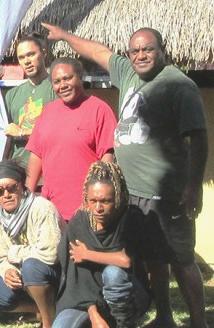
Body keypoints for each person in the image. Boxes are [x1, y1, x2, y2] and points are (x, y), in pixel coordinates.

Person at [43, 23, 208, 328]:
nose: (141, 55)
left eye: (148, 49)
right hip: (132, 193)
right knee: (153, 256)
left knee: (181, 258)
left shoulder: (178, 85)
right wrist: (65, 36)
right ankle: (165, 316)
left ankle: (199, 322)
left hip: (167, 193)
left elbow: (198, 137)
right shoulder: (128, 73)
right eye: (135, 50)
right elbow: (98, 51)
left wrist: (194, 184)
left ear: (162, 51)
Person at [54, 161, 151, 328]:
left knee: (113, 273)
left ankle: (124, 323)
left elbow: (127, 260)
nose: (98, 208)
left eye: (106, 201)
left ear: (118, 197)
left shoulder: (130, 218)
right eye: (93, 201)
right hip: (84, 300)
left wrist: (87, 254)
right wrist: (94, 315)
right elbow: (79, 277)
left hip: (126, 296)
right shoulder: (80, 222)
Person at [25, 57, 117, 220]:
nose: (63, 85)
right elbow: (37, 155)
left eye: (68, 78)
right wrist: (26, 197)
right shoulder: (47, 112)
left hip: (87, 212)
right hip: (50, 212)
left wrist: (94, 203)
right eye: (57, 81)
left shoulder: (99, 110)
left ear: (80, 77)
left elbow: (107, 159)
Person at [0, 160, 65, 328]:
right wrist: (8, 271)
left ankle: (48, 323)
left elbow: (51, 253)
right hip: (24, 276)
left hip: (55, 274)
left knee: (31, 266)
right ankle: (46, 310)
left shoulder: (42, 208)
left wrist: (15, 253)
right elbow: (0, 257)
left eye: (11, 188)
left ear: (21, 186)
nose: (6, 195)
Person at [3, 33, 57, 168]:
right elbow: (7, 135)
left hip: (48, 168)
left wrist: (22, 132)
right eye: (21, 57)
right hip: (18, 171)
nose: (26, 61)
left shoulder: (57, 89)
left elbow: (61, 131)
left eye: (31, 54)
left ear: (44, 54)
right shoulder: (12, 94)